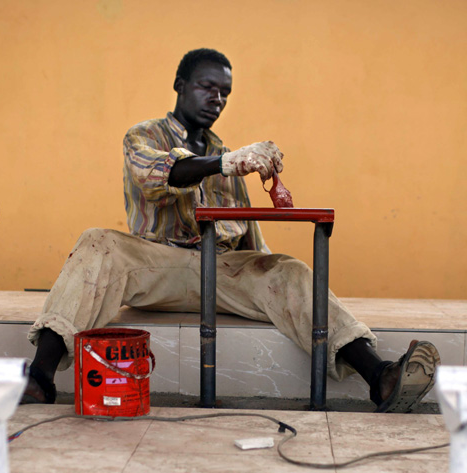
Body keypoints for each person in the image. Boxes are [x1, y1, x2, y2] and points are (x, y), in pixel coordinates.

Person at [23, 47, 439, 411]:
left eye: (224, 92)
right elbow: (159, 176)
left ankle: (381, 378)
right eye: (207, 87)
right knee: (97, 241)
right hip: (155, 266)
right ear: (180, 84)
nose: (216, 99)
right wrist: (228, 163)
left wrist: (269, 269)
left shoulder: (228, 155)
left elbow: (248, 238)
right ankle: (39, 380)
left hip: (219, 270)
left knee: (289, 270)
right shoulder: (144, 136)